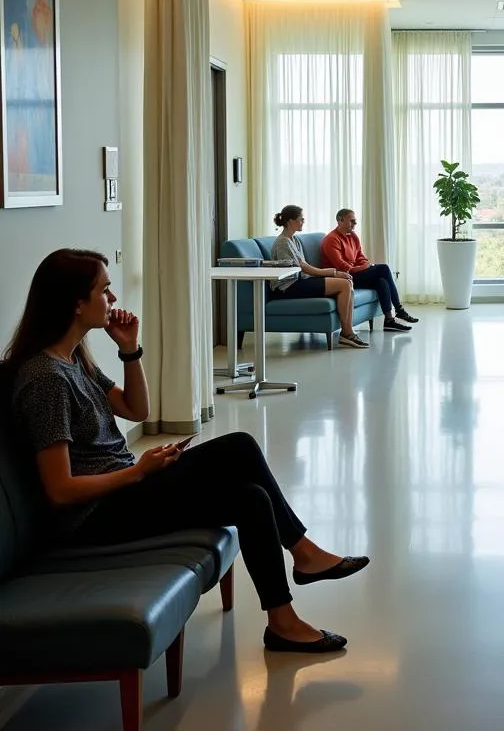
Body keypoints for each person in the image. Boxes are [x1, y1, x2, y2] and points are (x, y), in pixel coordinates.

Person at [3, 249, 370, 653]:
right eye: (104, 291)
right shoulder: (47, 379)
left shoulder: (74, 361)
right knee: (241, 455)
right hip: (94, 517)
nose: (112, 299)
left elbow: (135, 409)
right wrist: (138, 472)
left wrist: (130, 350)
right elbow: (59, 489)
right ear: (76, 303)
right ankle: (301, 563)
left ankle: (286, 612)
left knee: (250, 493)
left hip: (124, 490)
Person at [270, 205, 368, 349]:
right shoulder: (283, 242)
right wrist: (333, 272)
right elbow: (304, 268)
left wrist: (336, 274)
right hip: (289, 286)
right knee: (344, 284)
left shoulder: (293, 239)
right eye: (300, 219)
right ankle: (347, 334)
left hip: (301, 280)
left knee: (347, 283)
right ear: (290, 221)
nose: (303, 221)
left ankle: (348, 333)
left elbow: (304, 267)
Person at [320, 209, 418, 332]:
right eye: (352, 221)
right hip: (342, 278)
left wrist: (365, 265)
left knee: (381, 281)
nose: (355, 223)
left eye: (355, 221)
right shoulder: (331, 240)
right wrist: (365, 267)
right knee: (384, 268)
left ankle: (389, 320)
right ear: (340, 220)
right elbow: (342, 267)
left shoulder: (353, 236)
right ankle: (399, 310)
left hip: (355, 274)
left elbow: (360, 257)